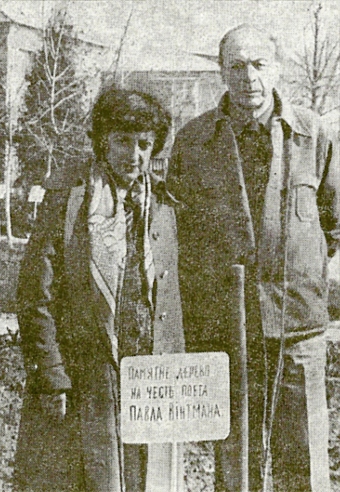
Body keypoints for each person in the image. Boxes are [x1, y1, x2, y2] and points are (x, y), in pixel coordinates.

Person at [168, 24, 340, 492]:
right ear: (222, 72)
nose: (249, 77)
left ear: (277, 68)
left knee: (304, 462)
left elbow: (332, 223)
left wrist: (295, 269)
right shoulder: (193, 141)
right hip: (228, 330)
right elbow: (182, 235)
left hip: (298, 330)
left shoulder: (313, 135)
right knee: (236, 464)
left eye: (259, 64)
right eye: (237, 66)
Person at [14, 88, 185, 492]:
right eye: (123, 141)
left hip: (148, 377)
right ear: (103, 141)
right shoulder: (70, 200)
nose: (134, 154)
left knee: (146, 478)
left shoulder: (164, 205)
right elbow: (36, 295)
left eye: (144, 144)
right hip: (84, 378)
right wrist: (52, 375)